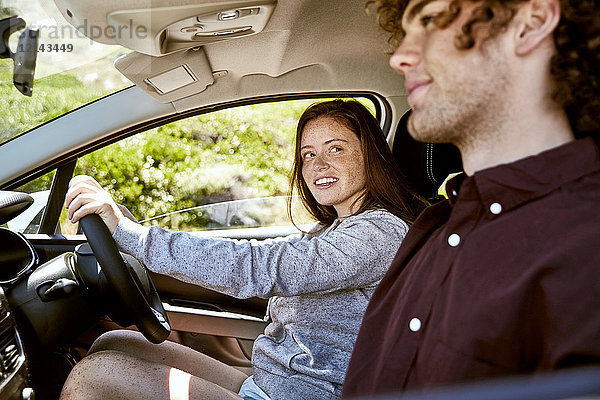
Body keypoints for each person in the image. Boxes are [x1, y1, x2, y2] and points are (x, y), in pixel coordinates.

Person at [60, 99, 427, 400]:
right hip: (273, 383)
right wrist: (130, 228)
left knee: (93, 377)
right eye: (308, 154)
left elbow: (260, 266)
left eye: (336, 149)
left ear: (371, 156)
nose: (318, 165)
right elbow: (259, 253)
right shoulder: (331, 228)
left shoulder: (381, 232)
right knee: (115, 342)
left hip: (306, 395)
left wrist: (135, 238)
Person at [341, 0, 600, 397]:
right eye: (404, 32)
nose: (400, 58)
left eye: (429, 20)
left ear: (530, 23)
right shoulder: (431, 230)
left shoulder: (587, 246)